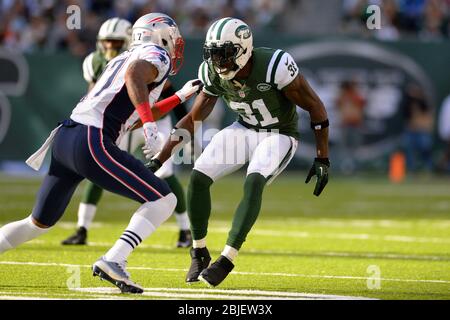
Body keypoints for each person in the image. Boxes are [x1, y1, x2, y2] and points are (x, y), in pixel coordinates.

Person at [0, 13, 202, 294]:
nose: (176, 45)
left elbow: (131, 110)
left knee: (37, 223)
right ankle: (114, 260)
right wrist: (150, 127)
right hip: (92, 139)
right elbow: (135, 81)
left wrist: (179, 97)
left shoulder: (124, 57)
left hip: (67, 137)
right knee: (163, 200)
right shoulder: (156, 55)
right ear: (160, 35)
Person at [147, 17, 330, 287]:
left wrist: (322, 156)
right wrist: (159, 159)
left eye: (224, 55)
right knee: (198, 178)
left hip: (279, 134)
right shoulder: (212, 73)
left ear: (243, 49)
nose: (219, 62)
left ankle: (227, 258)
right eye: (214, 55)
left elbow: (315, 106)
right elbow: (193, 119)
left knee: (254, 181)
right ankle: (198, 251)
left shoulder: (274, 66)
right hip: (243, 129)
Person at [61, 17, 192, 248]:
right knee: (101, 167)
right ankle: (84, 229)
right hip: (124, 123)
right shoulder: (101, 61)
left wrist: (180, 112)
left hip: (145, 119)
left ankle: (184, 230)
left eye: (115, 42)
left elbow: (150, 88)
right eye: (107, 42)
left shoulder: (145, 58)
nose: (110, 47)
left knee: (163, 174)